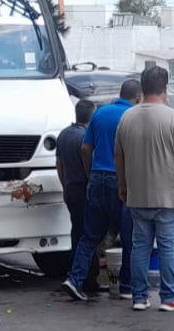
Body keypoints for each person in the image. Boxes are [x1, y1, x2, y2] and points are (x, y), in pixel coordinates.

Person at [116, 66, 174, 312]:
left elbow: (118, 156)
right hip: (167, 198)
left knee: (140, 248)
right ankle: (169, 297)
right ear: (165, 89)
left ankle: (139, 297)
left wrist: (123, 186)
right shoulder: (172, 117)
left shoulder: (127, 118)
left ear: (142, 89)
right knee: (167, 248)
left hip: (137, 197)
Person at [62, 80, 142, 301]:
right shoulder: (133, 117)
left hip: (97, 179)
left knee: (89, 236)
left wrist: (91, 176)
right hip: (121, 182)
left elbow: (86, 149)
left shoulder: (100, 113)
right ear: (137, 98)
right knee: (128, 238)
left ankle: (75, 280)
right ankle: (126, 287)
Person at [55, 99, 100, 294]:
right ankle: (87, 279)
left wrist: (64, 186)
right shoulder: (85, 137)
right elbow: (86, 159)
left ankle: (74, 272)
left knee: (77, 231)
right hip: (84, 189)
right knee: (89, 234)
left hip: (70, 188)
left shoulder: (64, 134)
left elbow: (60, 164)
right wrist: (91, 180)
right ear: (92, 115)